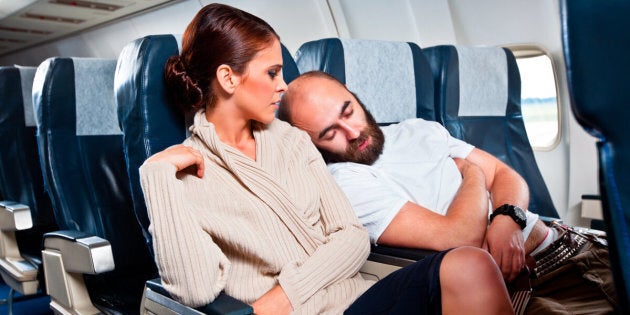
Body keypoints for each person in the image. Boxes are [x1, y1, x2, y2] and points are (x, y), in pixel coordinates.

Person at [139, 3, 513, 315]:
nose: (283, 85)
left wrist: (284, 294)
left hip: (353, 298)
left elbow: (352, 237)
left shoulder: (291, 142)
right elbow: (195, 291)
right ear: (228, 78)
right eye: (272, 72)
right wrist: (156, 177)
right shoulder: (182, 172)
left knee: (471, 264)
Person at [278, 70, 617, 314]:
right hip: (536, 282)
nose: (352, 131)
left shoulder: (418, 128)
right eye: (329, 133)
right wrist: (472, 174)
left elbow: (504, 173)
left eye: (348, 110)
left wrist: (506, 219)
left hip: (575, 243)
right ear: (311, 145)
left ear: (354, 95)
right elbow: (460, 239)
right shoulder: (343, 181)